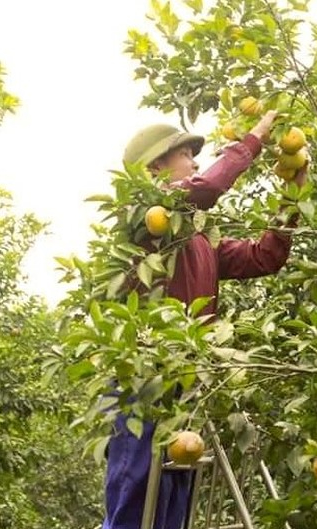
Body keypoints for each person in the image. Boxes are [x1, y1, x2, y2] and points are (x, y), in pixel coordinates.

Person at [103, 110, 305, 529]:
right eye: (185, 154)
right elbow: (207, 187)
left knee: (177, 496)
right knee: (135, 495)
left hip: (189, 380)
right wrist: (253, 140)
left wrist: (292, 198)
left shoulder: (200, 240)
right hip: (142, 376)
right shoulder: (142, 216)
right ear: (157, 166)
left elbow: (264, 256)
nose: (195, 161)